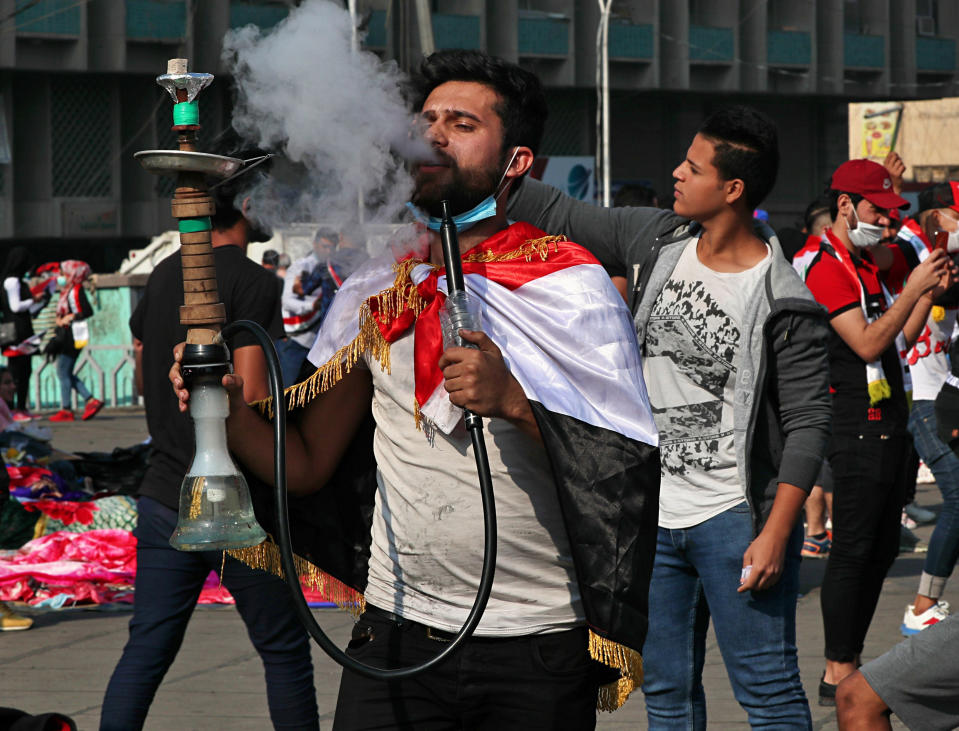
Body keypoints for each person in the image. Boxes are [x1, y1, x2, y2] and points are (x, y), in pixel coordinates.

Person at [172, 49, 661, 727]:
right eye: (424, 118)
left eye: (460, 123)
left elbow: (621, 473)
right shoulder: (377, 288)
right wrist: (221, 407)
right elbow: (308, 464)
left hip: (536, 642)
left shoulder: (569, 288)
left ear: (517, 160)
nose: (430, 135)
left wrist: (514, 402)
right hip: (396, 630)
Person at [507, 106, 831, 728]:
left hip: (734, 522)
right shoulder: (655, 239)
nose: (677, 174)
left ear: (733, 189)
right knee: (665, 694)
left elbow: (809, 425)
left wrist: (774, 534)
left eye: (693, 166)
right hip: (651, 515)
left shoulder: (784, 298)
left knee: (768, 693)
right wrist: (482, 156)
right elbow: (555, 213)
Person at [99, 175, 319, 730]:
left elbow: (149, 379)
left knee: (146, 651)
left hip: (163, 492)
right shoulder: (254, 282)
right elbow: (252, 397)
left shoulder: (161, 276)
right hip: (235, 499)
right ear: (246, 204)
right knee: (284, 652)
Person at [796, 159, 953, 704]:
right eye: (876, 213)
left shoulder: (867, 263)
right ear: (844, 206)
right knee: (854, 549)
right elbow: (864, 343)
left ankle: (851, 659)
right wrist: (912, 288)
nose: (886, 225)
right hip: (853, 426)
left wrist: (927, 291)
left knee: (883, 546)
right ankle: (837, 666)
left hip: (891, 423)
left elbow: (900, 339)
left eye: (891, 216)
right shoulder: (822, 264)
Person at [870, 181, 959, 635]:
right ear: (935, 216)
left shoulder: (949, 262)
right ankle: (923, 604)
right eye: (955, 214)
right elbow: (883, 252)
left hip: (946, 396)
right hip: (919, 397)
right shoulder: (909, 249)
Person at [276, 228, 338, 387]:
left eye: (332, 247)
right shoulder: (301, 267)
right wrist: (312, 305)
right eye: (324, 246)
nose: (328, 251)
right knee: (289, 391)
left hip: (321, 343)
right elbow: (288, 301)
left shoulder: (335, 267)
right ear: (315, 244)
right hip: (298, 341)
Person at [48, 261, 103, 423]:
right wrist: (60, 320)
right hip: (68, 336)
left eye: (64, 274)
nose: (61, 277)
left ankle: (67, 409)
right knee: (65, 372)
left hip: (72, 337)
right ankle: (90, 400)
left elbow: (86, 311)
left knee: (63, 371)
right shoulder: (68, 291)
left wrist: (68, 318)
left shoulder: (76, 290)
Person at [0, 247, 48, 420]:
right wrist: (33, 300)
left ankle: (22, 407)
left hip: (24, 330)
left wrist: (41, 301)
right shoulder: (11, 282)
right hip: (15, 332)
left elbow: (26, 308)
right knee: (16, 370)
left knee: (25, 369)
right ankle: (12, 408)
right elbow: (15, 306)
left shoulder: (20, 282)